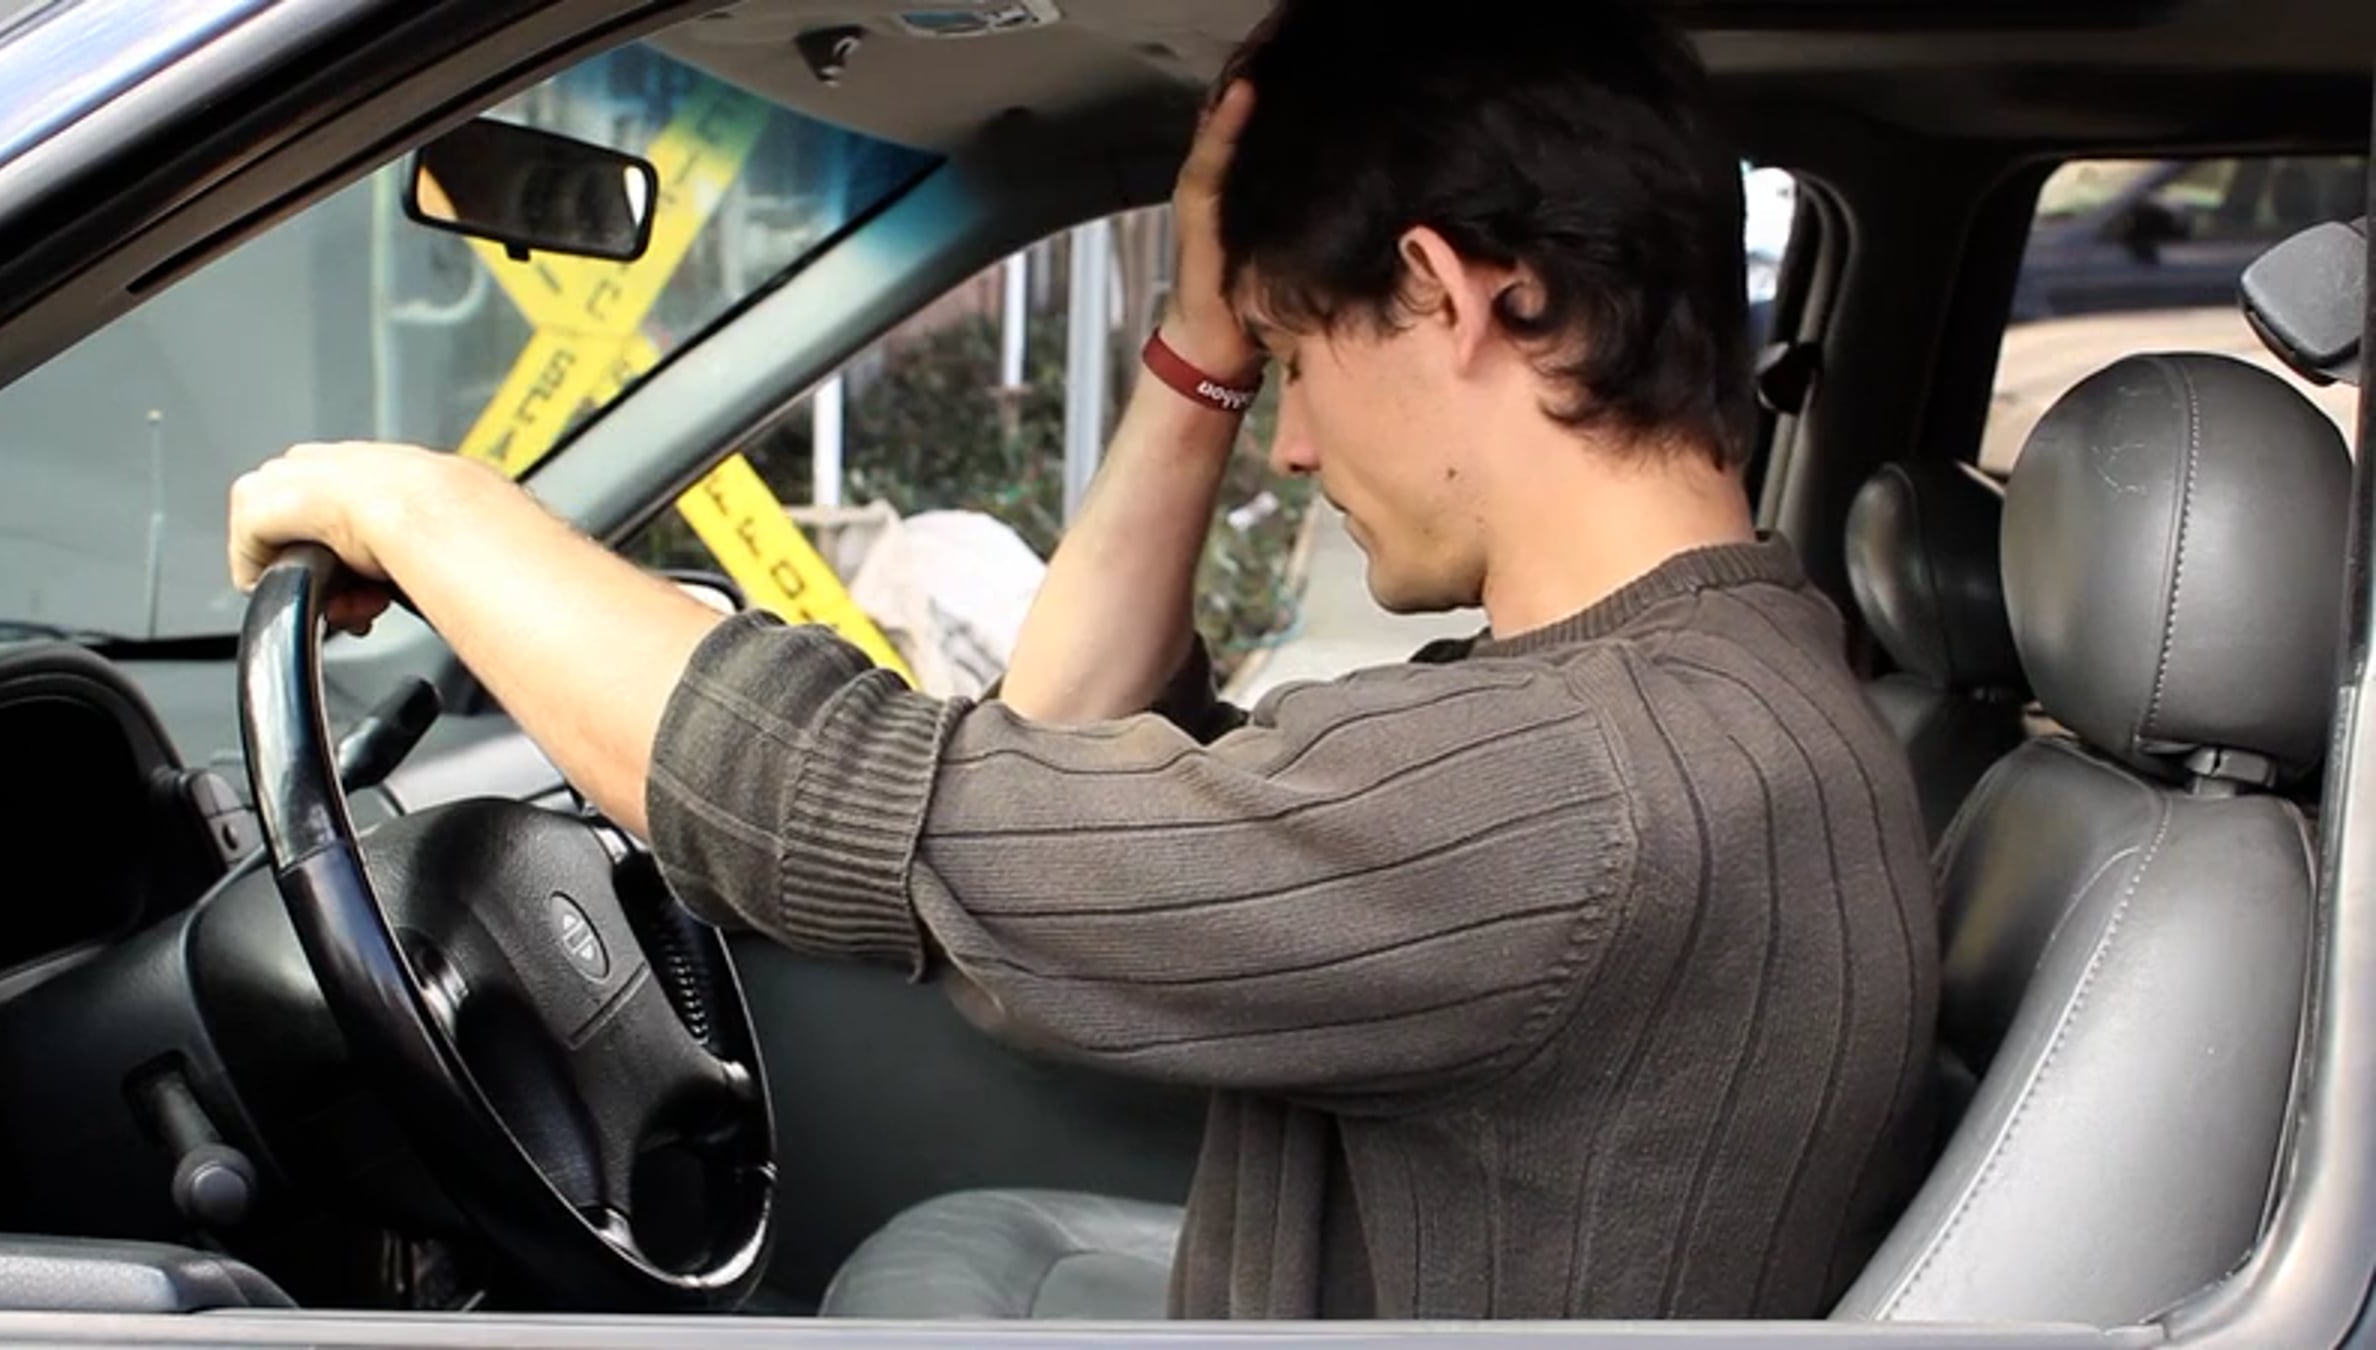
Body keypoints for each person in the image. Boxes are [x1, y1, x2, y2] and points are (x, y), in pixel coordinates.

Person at [229, 0, 1936, 1321]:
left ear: (1442, 294)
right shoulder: (1712, 699)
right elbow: (1057, 735)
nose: (1290, 443)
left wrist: (428, 508)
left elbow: (863, 811)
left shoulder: (1582, 795)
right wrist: (1199, 346)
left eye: (1292, 357)